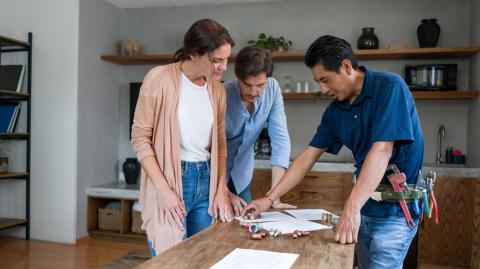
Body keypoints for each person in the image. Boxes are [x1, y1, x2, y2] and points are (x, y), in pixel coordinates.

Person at [242, 35, 424, 269]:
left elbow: (381, 151)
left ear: (346, 66)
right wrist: (269, 199)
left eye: (325, 80)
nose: (323, 89)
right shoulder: (335, 112)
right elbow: (307, 156)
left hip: (395, 213)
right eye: (318, 82)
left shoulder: (389, 87)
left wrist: (351, 207)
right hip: (365, 206)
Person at [131, 18, 235, 256]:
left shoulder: (217, 89)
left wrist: (220, 189)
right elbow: (139, 137)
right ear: (194, 54)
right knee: (171, 259)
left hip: (206, 180)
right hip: (173, 180)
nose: (223, 67)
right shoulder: (159, 78)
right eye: (216, 60)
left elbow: (220, 143)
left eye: (226, 59)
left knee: (202, 257)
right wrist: (163, 190)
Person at [223, 46, 295, 216]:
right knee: (215, 234)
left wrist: (274, 195)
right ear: (238, 77)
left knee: (247, 227)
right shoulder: (222, 94)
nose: (255, 92)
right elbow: (208, 151)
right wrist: (223, 192)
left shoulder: (272, 89)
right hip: (212, 179)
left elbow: (280, 140)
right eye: (248, 85)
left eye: (260, 85)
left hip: (241, 177)